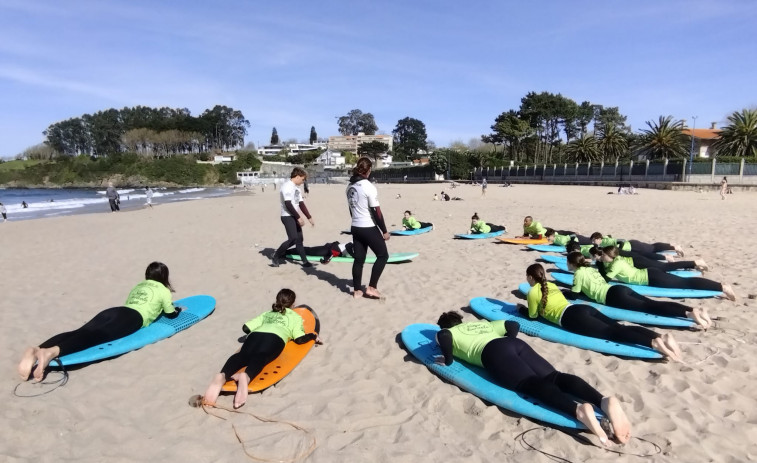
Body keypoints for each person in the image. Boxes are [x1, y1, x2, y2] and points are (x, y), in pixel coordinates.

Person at [435, 310, 631, 445]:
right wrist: (510, 343)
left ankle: (577, 410)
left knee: (530, 383)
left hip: (493, 353)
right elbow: (512, 324)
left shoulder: (448, 332)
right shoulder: (481, 325)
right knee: (555, 376)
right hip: (515, 345)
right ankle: (602, 400)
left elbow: (444, 336)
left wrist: (449, 359)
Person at [17, 262, 180, 381]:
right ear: (163, 277)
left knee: (81, 332)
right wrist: (176, 310)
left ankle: (37, 348)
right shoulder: (163, 290)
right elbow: (170, 314)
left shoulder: (139, 285)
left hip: (114, 311)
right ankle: (50, 352)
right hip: (133, 318)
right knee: (94, 338)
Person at [522, 263, 682, 361]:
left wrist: (521, 309)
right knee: (619, 327)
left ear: (530, 278)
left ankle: (652, 343)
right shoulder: (551, 285)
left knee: (611, 333)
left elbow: (533, 316)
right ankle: (660, 336)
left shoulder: (532, 292)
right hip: (581, 308)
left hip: (571, 318)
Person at [195, 289, 321, 409]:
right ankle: (247, 376)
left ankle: (222, 375)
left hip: (255, 336)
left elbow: (245, 328)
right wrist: (312, 335)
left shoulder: (268, 313)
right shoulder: (295, 317)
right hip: (275, 339)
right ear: (293, 304)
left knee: (242, 356)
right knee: (261, 357)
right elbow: (299, 339)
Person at [566, 252, 713, 328]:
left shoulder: (578, 274)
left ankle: (688, 313)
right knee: (651, 302)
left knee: (649, 306)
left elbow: (574, 295)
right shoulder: (591, 270)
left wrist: (565, 292)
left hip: (612, 297)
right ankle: (692, 310)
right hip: (618, 288)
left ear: (572, 264)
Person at [596, 247, 736, 301]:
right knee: (681, 282)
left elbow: (605, 280)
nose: (601, 256)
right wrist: (600, 262)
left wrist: (599, 263)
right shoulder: (614, 260)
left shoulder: (616, 264)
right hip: (649, 274)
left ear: (610, 256)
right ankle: (719, 286)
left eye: (602, 255)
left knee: (683, 283)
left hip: (651, 277)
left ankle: (722, 287)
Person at [346, 157, 390, 299]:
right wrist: (384, 230)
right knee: (383, 255)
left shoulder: (349, 187)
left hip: (355, 226)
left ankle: (357, 290)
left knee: (359, 259)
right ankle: (371, 287)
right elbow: (376, 212)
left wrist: (356, 221)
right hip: (368, 227)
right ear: (369, 170)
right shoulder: (368, 186)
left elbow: (351, 209)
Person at [272, 168, 314, 268]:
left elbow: (300, 203)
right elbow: (288, 204)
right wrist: (298, 217)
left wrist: (309, 217)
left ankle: (305, 262)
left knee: (299, 239)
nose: (303, 182)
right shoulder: (286, 186)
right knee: (293, 238)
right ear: (297, 176)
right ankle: (276, 256)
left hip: (294, 216)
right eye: (303, 179)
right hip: (287, 216)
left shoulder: (296, 188)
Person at [599, 245, 708, 273]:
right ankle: (693, 265)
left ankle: (696, 262)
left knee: (665, 267)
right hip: (637, 260)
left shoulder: (611, 254)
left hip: (638, 261)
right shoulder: (612, 251)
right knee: (664, 267)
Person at [589, 232, 684, 257]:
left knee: (652, 248)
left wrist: (620, 250)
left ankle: (675, 247)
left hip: (633, 247)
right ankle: (671, 245)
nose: (593, 242)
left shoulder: (605, 241)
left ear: (598, 238)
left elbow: (621, 241)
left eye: (594, 240)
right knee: (652, 246)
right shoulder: (604, 241)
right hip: (632, 245)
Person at [285, 240, 355, 264]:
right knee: (310, 251)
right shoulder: (356, 242)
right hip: (330, 249)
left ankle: (287, 252)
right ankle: (286, 252)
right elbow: (348, 246)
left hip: (334, 250)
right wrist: (355, 256)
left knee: (310, 251)